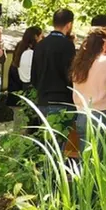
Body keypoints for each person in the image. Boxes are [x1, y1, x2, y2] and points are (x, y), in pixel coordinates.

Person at [71, 28, 106, 152]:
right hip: (102, 115)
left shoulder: (79, 63)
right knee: (100, 162)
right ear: (105, 44)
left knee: (85, 159)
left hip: (82, 114)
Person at [31, 9, 77, 142]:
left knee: (47, 144)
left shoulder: (40, 45)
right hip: (63, 100)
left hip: (43, 100)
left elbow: (33, 75)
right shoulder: (68, 45)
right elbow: (70, 74)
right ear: (69, 25)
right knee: (60, 144)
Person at [8, 26, 43, 103]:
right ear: (36, 37)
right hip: (30, 86)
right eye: (41, 37)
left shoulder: (22, 52)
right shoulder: (30, 54)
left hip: (24, 85)